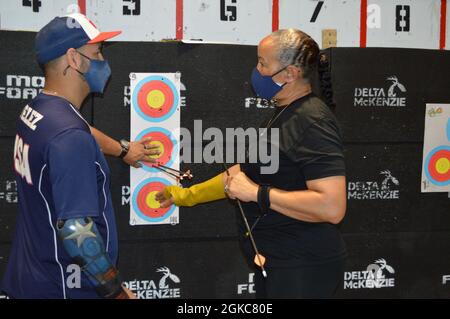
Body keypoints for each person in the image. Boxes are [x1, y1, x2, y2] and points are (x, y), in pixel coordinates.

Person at [156, 29, 347, 298]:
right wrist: (187, 195)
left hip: (303, 268)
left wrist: (258, 194)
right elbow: (241, 175)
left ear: (289, 74)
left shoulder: (313, 122)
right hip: (279, 264)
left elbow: (332, 207)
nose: (256, 70)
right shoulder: (283, 114)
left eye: (262, 63)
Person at [0, 13, 154, 298]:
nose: (103, 62)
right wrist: (115, 291)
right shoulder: (70, 138)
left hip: (33, 277)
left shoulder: (39, 110)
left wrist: (122, 149)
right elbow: (76, 230)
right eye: (96, 53)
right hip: (63, 287)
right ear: (74, 59)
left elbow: (79, 131)